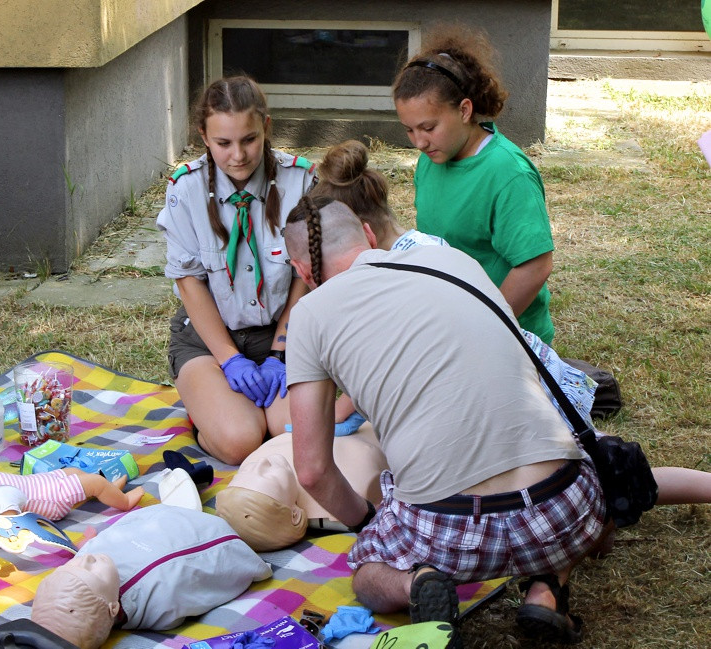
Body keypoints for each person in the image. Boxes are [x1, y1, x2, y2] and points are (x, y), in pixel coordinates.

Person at [312, 138, 711, 517]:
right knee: (592, 483)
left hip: (526, 395)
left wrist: (342, 408)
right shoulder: (417, 249)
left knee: (609, 478)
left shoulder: (404, 271)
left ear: (362, 233)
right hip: (504, 389)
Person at [283, 195, 609, 643]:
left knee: (366, 572)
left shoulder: (308, 316)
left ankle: (415, 584)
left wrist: (370, 525)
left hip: (448, 533)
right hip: (564, 510)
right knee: (583, 456)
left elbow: (313, 470)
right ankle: (548, 586)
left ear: (303, 272)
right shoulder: (449, 258)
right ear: (371, 235)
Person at [156, 75, 317, 465]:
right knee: (240, 440)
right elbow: (189, 283)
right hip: (209, 339)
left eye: (249, 139)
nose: (238, 155)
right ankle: (212, 412)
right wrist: (229, 359)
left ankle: (245, 407)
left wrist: (280, 353)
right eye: (223, 143)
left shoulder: (301, 180)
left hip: (282, 334)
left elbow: (305, 278)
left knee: (289, 433)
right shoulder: (186, 189)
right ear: (203, 136)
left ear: (266, 127)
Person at [393, 26, 555, 344]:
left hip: (504, 333)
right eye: (409, 130)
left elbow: (536, 266)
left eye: (428, 127)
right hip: (449, 320)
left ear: (464, 110)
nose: (419, 142)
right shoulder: (432, 159)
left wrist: (482, 328)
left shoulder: (508, 173)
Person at [31, 505, 271, 648]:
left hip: (159, 518)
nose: (88, 558)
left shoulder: (94, 560)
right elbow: (202, 585)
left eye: (73, 564)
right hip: (210, 535)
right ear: (113, 609)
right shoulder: (158, 598)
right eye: (91, 570)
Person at [216, 426, 388, 551]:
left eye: (246, 471)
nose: (262, 462)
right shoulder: (353, 488)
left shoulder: (255, 460)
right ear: (294, 514)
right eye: (267, 475)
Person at [0, 462, 144, 535]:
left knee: (75, 472)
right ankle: (122, 501)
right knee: (93, 482)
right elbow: (10, 520)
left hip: (44, 481)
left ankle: (108, 491)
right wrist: (9, 530)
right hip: (52, 498)